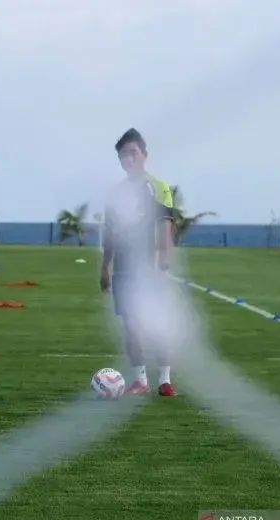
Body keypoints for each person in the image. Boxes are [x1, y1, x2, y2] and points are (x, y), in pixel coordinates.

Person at [99, 128, 177, 397]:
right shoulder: (115, 193)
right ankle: (141, 381)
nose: (129, 159)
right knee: (131, 324)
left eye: (133, 153)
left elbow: (164, 227)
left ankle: (165, 380)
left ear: (144, 154)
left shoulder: (158, 187)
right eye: (123, 155)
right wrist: (105, 267)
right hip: (123, 269)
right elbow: (110, 233)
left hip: (150, 268)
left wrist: (164, 265)